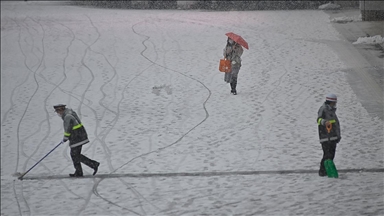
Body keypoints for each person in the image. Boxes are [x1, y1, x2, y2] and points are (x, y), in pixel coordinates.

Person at [54, 104, 100, 177]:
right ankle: (82, 170)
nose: (58, 113)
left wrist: (65, 138)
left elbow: (68, 128)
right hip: (79, 135)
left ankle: (91, 166)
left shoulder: (67, 116)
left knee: (74, 154)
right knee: (75, 155)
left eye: (57, 111)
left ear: (61, 110)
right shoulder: (69, 113)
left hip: (77, 136)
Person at [316, 93, 341, 177]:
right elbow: (318, 119)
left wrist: (337, 136)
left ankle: (327, 170)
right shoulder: (323, 109)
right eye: (334, 102)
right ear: (330, 102)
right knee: (327, 155)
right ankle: (322, 171)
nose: (335, 104)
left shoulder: (332, 111)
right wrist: (324, 122)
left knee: (331, 155)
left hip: (333, 137)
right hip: (326, 137)